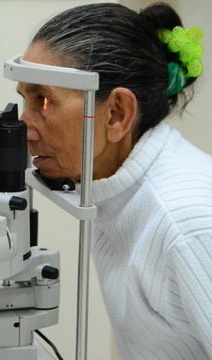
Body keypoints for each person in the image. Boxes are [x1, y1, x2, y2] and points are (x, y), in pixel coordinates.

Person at [15, 2, 211, 359]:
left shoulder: (186, 224)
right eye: (24, 99)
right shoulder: (112, 189)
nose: (22, 128)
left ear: (117, 114)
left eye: (43, 101)